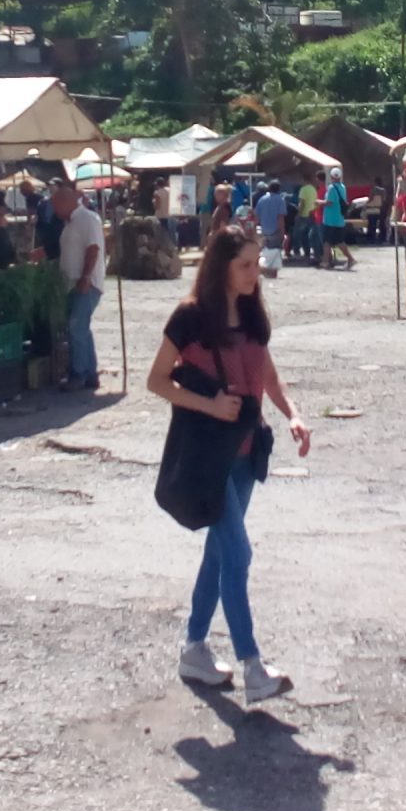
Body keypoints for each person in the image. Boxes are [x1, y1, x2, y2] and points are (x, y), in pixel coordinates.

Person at [146, 225, 311, 704]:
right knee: (238, 555)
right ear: (221, 266)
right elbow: (157, 381)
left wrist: (294, 415)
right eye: (244, 264)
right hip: (208, 456)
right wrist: (211, 406)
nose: (254, 272)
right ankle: (252, 666)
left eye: (257, 262)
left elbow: (267, 372)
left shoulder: (253, 314)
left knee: (220, 554)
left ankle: (194, 649)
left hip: (245, 454)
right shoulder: (190, 317)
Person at [55, 179, 107, 391]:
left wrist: (85, 277)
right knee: (81, 329)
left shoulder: (87, 219)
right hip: (73, 284)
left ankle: (78, 373)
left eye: (56, 205)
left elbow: (93, 249)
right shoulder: (70, 224)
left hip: (86, 284)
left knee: (76, 328)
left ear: (67, 202)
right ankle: (90, 373)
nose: (55, 210)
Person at [253, 181, 287, 255]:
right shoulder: (280, 200)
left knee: (265, 253)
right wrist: (282, 232)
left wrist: (255, 230)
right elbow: (280, 218)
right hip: (275, 231)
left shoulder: (262, 199)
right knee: (274, 254)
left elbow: (256, 216)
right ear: (279, 189)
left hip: (264, 231)